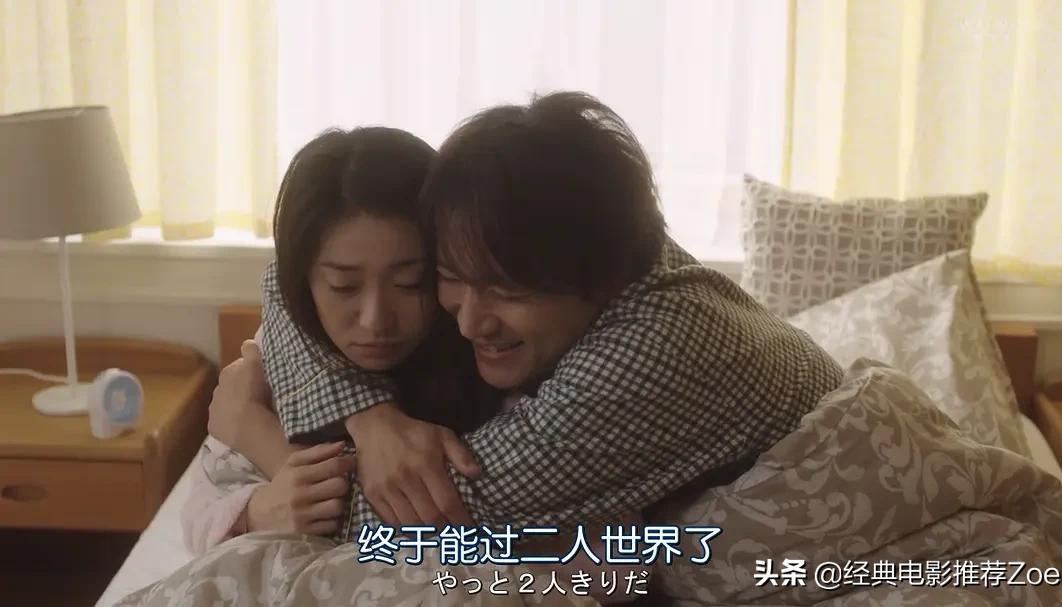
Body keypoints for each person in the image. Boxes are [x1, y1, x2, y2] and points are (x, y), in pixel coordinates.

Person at [238, 91, 845, 539]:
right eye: (450, 278)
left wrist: (253, 433)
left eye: (508, 292)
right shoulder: (599, 237)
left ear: (597, 276)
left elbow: (420, 516)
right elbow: (283, 280)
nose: (471, 323)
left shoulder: (651, 350)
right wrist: (370, 416)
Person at [181, 126, 498, 553]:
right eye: (343, 286)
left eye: (410, 283)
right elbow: (198, 515)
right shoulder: (275, 359)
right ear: (304, 283)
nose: (375, 320)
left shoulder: (487, 350)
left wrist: (260, 437)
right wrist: (259, 511)